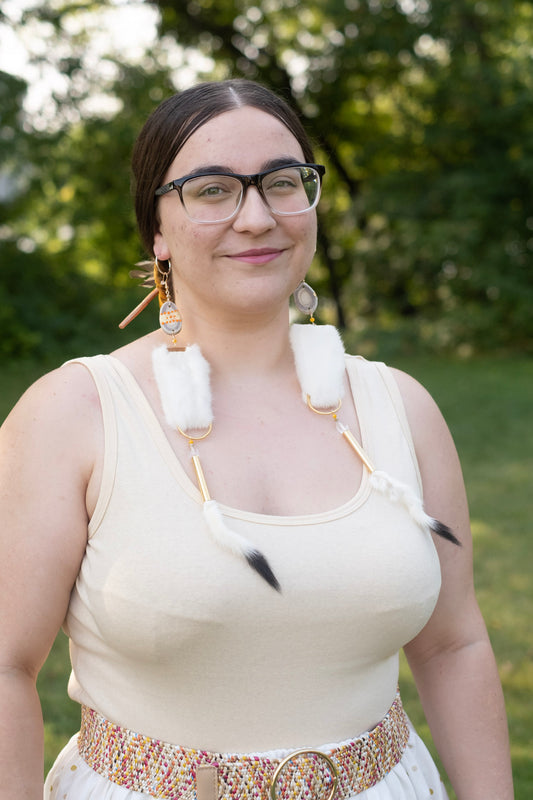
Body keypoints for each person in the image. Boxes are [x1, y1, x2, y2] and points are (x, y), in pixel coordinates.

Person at [0, 79, 513, 800]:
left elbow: (454, 643)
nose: (256, 216)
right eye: (212, 190)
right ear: (154, 227)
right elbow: (5, 666)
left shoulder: (400, 407)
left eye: (281, 182)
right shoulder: (73, 413)